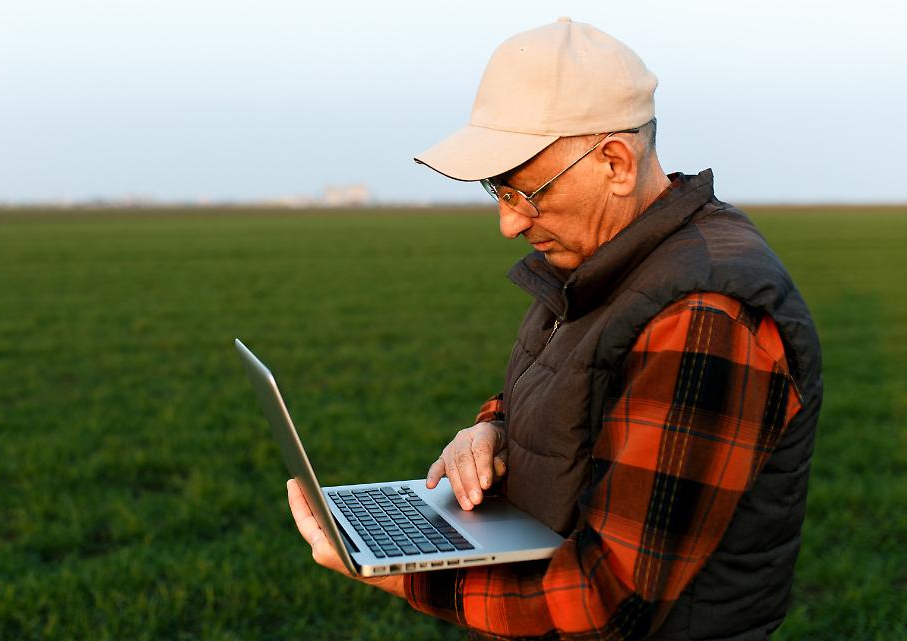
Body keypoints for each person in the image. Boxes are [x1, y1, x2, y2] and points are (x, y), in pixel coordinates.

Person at [287, 17, 822, 641]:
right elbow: (573, 393)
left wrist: (402, 572)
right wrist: (492, 432)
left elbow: (606, 600)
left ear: (616, 163)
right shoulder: (602, 260)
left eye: (521, 192)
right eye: (497, 191)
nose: (508, 226)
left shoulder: (705, 317)